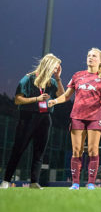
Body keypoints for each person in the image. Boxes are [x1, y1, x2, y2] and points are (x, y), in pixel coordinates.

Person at [54, 48, 101, 190]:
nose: (90, 57)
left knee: (93, 150)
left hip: (95, 117)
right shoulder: (77, 75)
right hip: (77, 116)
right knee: (77, 150)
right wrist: (54, 101)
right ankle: (75, 183)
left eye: (94, 56)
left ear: (100, 61)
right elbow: (67, 95)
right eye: (89, 55)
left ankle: (91, 183)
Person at [1, 54, 64, 189]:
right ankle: (6, 181)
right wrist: (37, 99)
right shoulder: (28, 79)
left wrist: (58, 78)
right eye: (54, 68)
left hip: (45, 118)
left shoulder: (52, 82)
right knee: (18, 149)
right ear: (47, 66)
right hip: (28, 117)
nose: (55, 71)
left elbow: (62, 96)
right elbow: (18, 99)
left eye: (57, 69)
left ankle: (34, 182)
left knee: (39, 151)